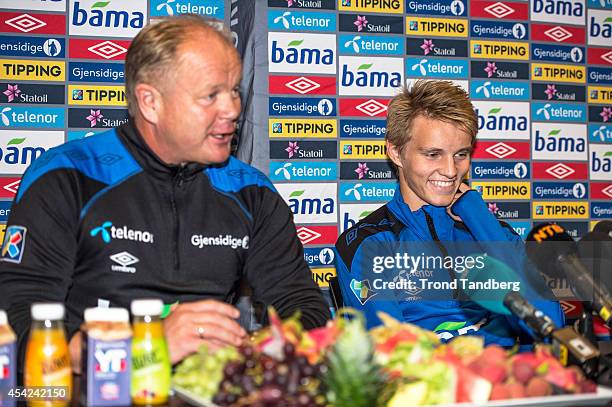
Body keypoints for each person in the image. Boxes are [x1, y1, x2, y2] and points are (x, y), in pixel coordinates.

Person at [0, 14, 330, 371]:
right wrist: (145, 347)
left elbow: (304, 307)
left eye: (235, 90)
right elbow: (16, 320)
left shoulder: (252, 191)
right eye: (211, 95)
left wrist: (255, 349)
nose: (233, 109)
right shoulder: (68, 176)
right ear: (150, 102)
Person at [335, 80, 564, 347]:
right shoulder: (370, 244)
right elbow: (392, 355)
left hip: (513, 380)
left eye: (461, 154)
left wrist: (480, 220)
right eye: (433, 154)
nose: (451, 170)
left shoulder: (491, 230)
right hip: (433, 383)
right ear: (397, 152)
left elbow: (551, 331)